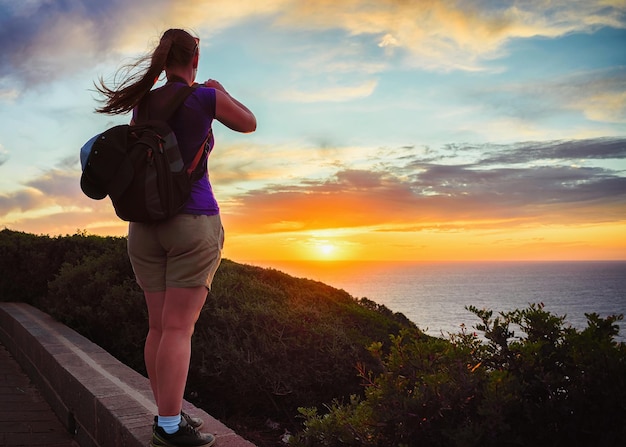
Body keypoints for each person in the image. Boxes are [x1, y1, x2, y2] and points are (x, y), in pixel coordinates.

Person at [94, 29, 256, 447]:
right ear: (195, 58)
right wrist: (222, 90)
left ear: (163, 60)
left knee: (158, 328)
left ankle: (168, 411)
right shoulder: (204, 97)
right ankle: (168, 427)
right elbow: (250, 123)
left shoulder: (144, 102)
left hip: (143, 228)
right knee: (179, 330)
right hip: (192, 222)